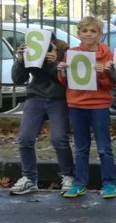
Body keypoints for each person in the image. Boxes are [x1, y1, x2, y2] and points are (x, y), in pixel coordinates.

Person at [56, 16, 116, 199]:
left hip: (99, 104)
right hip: (76, 104)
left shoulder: (107, 54)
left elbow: (110, 85)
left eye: (93, 31)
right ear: (79, 33)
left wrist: (102, 74)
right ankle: (79, 183)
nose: (88, 34)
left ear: (100, 34)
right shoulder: (71, 53)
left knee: (104, 147)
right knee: (81, 147)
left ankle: (109, 184)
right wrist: (62, 71)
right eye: (85, 31)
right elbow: (66, 82)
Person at [9, 32, 74, 195]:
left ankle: (68, 175)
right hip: (35, 97)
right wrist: (20, 60)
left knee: (59, 138)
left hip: (57, 98)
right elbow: (18, 79)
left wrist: (55, 62)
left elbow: (66, 79)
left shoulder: (64, 52)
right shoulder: (31, 53)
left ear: (52, 41)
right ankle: (29, 178)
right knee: (25, 138)